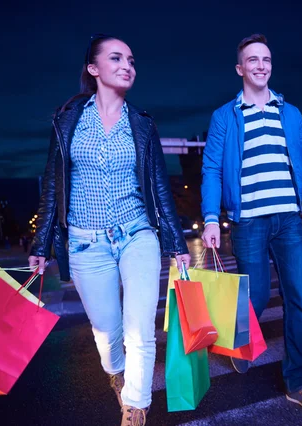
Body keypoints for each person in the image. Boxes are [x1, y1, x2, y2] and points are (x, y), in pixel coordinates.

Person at [29, 34, 190, 426]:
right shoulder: (67, 120)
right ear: (93, 69)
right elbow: (52, 182)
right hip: (85, 244)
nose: (127, 66)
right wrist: (41, 243)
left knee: (140, 332)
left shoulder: (141, 123)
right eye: (116, 58)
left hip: (137, 235)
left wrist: (176, 242)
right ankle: (117, 374)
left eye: (132, 60)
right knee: (107, 335)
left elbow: (158, 186)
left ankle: (135, 407)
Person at [200, 34, 302, 417]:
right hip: (248, 221)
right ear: (240, 68)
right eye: (252, 60)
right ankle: (240, 341)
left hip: (289, 219)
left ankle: (298, 381)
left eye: (266, 59)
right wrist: (211, 217)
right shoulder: (225, 116)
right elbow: (211, 168)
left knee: (297, 299)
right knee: (253, 299)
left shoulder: (288, 113)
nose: (260, 65)